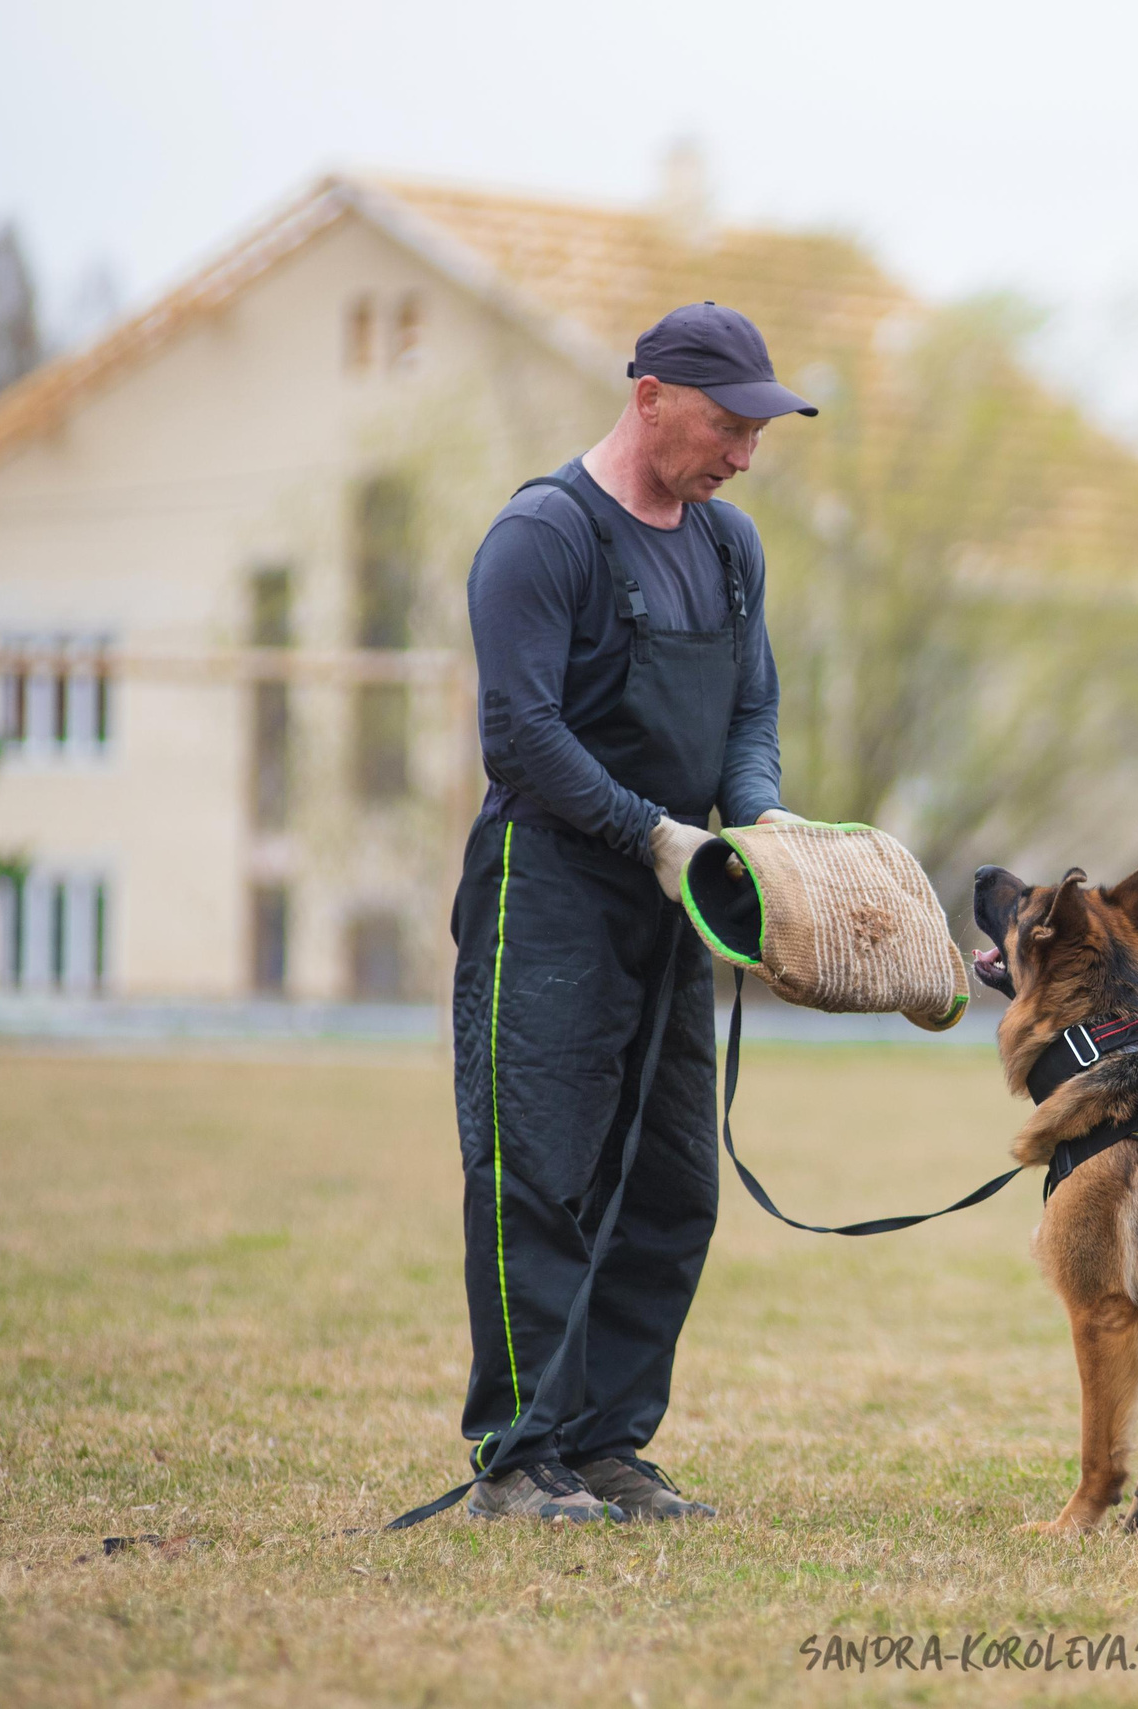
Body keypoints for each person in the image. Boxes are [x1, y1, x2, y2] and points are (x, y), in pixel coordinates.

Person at [448, 303, 813, 1524]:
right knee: (540, 1175)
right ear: (650, 395)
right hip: (549, 892)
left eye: (756, 430)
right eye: (726, 425)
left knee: (669, 1187)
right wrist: (650, 833)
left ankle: (605, 1446)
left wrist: (755, 823)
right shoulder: (542, 537)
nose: (743, 454)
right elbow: (521, 732)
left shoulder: (727, 547)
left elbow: (749, 713)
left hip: (680, 897)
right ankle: (518, 1457)